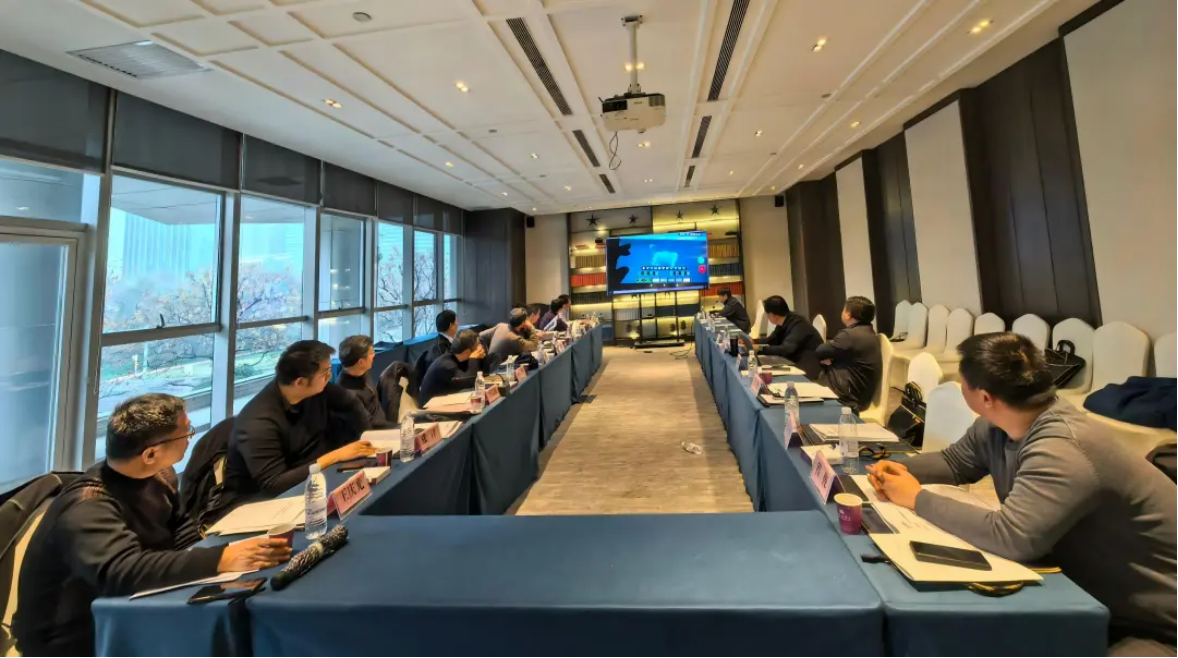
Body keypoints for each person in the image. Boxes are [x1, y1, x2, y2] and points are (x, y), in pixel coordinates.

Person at [867, 333, 1177, 657]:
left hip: (1156, 626)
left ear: (985, 397)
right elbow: (955, 462)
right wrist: (894, 469)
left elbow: (1012, 536)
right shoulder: (1000, 424)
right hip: (1092, 600)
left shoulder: (1063, 448)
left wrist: (917, 498)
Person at [13, 395, 292, 657]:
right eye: (186, 432)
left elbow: (182, 533)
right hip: (74, 636)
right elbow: (123, 571)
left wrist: (235, 556)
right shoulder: (87, 506)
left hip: (137, 605)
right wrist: (222, 558)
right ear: (149, 454)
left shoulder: (160, 475)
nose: (190, 438)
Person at [222, 340, 375, 509]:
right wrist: (334, 457)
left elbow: (351, 403)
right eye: (325, 373)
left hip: (316, 481)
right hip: (266, 504)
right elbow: (274, 484)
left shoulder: (316, 390)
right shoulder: (258, 422)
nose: (329, 378)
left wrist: (367, 438)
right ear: (300, 382)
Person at [815, 296, 881, 412]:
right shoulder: (868, 331)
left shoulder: (849, 335)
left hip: (848, 399)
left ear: (848, 315)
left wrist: (831, 361)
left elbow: (820, 351)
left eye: (844, 309)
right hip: (860, 396)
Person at [755, 295, 823, 379]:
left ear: (774, 316)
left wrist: (759, 349)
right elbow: (771, 340)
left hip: (807, 364)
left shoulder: (798, 324)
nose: (767, 317)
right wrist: (753, 342)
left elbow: (785, 349)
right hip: (794, 359)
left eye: (767, 315)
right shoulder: (785, 320)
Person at [419, 329, 486, 406]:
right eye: (476, 348)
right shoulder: (446, 365)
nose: (479, 349)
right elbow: (469, 382)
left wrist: (481, 358)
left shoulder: (458, 358)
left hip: (444, 399)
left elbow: (483, 373)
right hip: (430, 406)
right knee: (474, 393)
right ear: (467, 352)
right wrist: (474, 359)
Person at [336, 335, 388, 428]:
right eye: (371, 353)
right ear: (361, 362)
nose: (374, 355)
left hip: (383, 421)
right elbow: (369, 426)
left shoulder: (361, 371)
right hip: (375, 432)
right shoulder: (348, 395)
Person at [415, 309, 460, 380]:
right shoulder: (441, 348)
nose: (458, 324)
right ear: (451, 326)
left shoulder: (446, 342)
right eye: (456, 321)